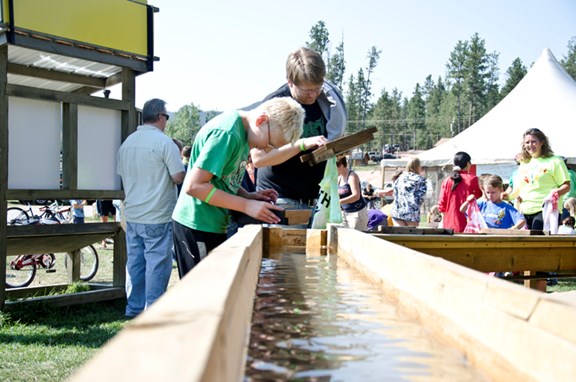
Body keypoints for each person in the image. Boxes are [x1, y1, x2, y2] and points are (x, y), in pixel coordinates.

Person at [172, 97, 305, 278]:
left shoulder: (243, 135)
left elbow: (222, 180)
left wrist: (248, 196)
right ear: (261, 120)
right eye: (270, 144)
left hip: (213, 224)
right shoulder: (227, 134)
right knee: (200, 296)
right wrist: (245, 206)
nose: (266, 150)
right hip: (197, 224)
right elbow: (194, 186)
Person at [251, 47, 347, 214]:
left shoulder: (327, 103)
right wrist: (301, 144)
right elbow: (259, 159)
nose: (312, 95)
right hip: (280, 199)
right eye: (306, 90)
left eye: (317, 88)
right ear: (290, 81)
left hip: (318, 201)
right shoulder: (275, 104)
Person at [117, 98, 186, 319]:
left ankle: (134, 308)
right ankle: (153, 310)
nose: (167, 121)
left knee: (135, 263)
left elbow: (123, 177)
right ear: (160, 116)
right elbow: (177, 177)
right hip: (157, 213)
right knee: (157, 264)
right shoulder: (164, 143)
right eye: (167, 116)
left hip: (133, 213)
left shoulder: (127, 143)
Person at [515, 128, 570, 291]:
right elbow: (518, 188)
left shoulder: (555, 161)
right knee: (528, 252)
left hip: (546, 210)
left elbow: (566, 185)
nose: (530, 145)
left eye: (533, 141)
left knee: (539, 251)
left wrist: (556, 192)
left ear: (542, 142)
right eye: (527, 142)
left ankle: (540, 292)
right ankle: (529, 292)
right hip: (526, 210)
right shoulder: (524, 163)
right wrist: (506, 195)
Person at [437, 152, 483, 233]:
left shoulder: (447, 180)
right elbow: (480, 201)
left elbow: (441, 205)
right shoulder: (474, 180)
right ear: (468, 163)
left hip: (449, 225)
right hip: (469, 225)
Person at [460, 175, 525, 230]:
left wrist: (512, 229)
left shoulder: (507, 208)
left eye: (493, 192)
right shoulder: (482, 204)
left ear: (501, 190)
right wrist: (468, 201)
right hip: (484, 239)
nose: (490, 195)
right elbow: (462, 210)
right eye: (487, 192)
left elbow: (522, 221)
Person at [390, 157, 427, 227]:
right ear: (418, 166)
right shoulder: (420, 180)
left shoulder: (399, 178)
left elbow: (394, 194)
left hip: (397, 211)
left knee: (399, 235)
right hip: (411, 213)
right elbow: (420, 198)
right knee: (410, 236)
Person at [336, 155, 368, 230]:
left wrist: (339, 202)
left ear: (341, 165)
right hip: (344, 213)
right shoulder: (339, 178)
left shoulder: (352, 176)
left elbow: (356, 196)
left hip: (356, 213)